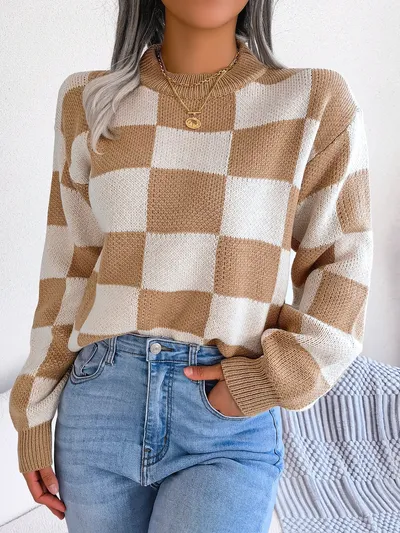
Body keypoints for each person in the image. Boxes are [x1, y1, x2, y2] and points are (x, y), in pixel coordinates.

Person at [9, 1, 373, 531]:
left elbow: (343, 264)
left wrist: (267, 380)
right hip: (99, 402)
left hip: (224, 414)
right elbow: (68, 267)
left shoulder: (313, 100)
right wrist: (33, 414)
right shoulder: (87, 100)